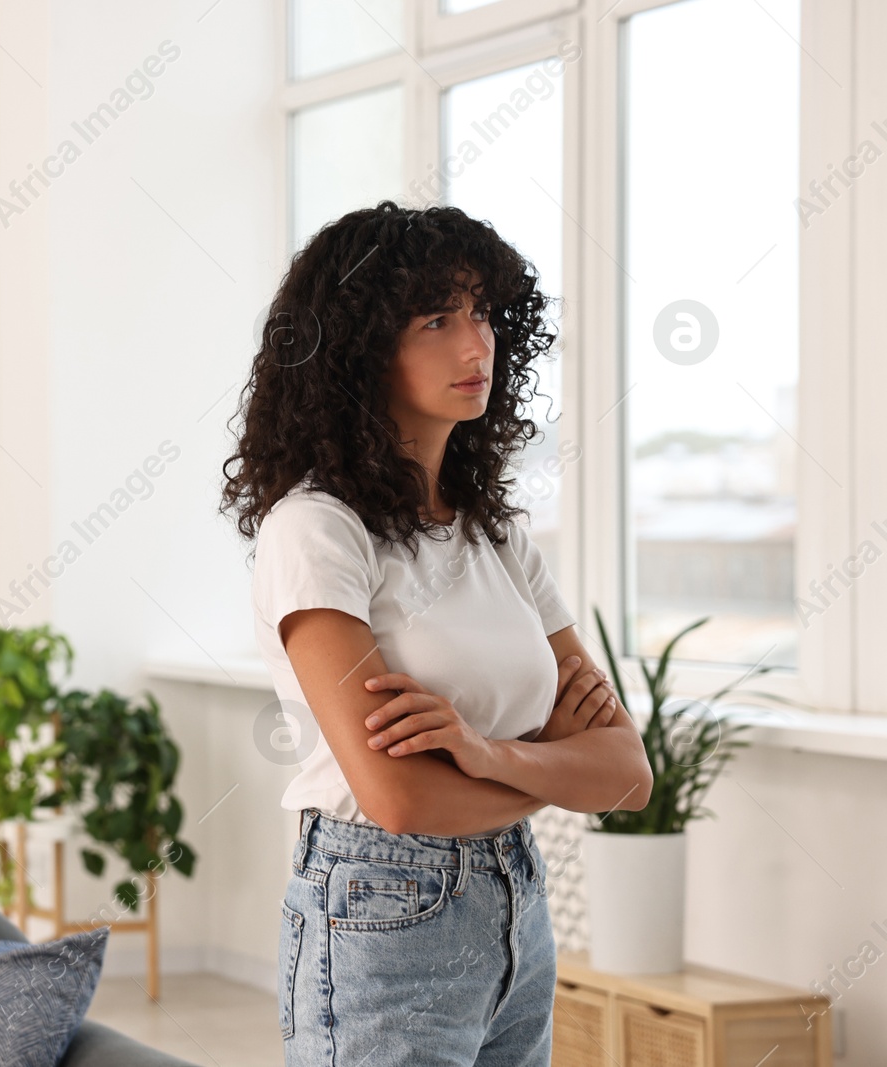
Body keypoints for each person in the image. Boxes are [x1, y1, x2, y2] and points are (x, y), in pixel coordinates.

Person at [220, 200, 653, 1065]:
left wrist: (484, 755)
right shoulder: (316, 528)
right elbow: (400, 798)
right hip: (383, 904)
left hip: (516, 907)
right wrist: (555, 768)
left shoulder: (497, 535)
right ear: (360, 348)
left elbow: (629, 773)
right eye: (437, 319)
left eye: (484, 313)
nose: (475, 345)